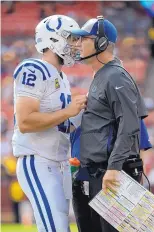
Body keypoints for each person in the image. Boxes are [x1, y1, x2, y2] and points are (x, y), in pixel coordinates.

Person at [70, 16, 148, 232]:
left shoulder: (115, 76)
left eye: (84, 39)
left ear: (101, 43)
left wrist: (114, 169)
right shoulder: (102, 75)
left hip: (114, 173)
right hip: (100, 172)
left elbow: (130, 124)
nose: (78, 44)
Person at [12, 15, 87, 232]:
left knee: (61, 227)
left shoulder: (61, 77)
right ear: (54, 40)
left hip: (59, 162)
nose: (76, 44)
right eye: (71, 39)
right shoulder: (34, 68)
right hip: (38, 159)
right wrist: (69, 111)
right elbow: (25, 121)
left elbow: (61, 122)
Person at [70, 120, 152, 232]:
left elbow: (141, 145)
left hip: (112, 176)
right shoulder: (77, 109)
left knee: (120, 227)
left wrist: (140, 176)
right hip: (80, 177)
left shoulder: (122, 104)